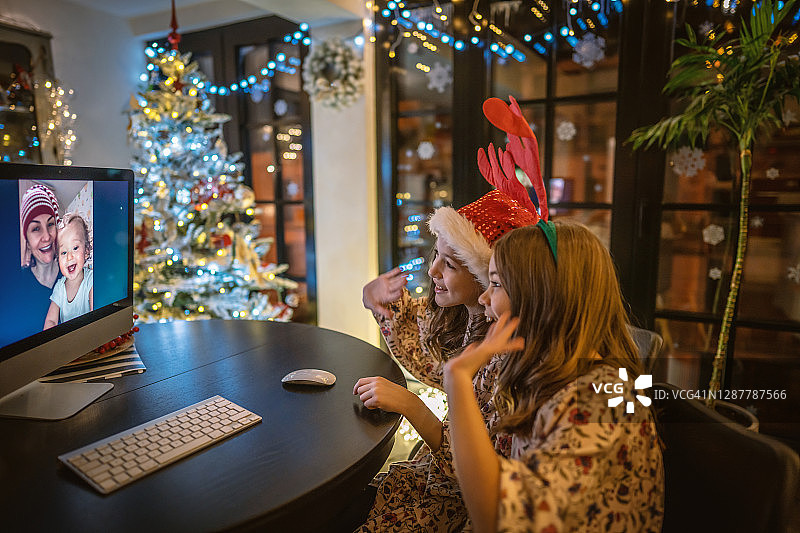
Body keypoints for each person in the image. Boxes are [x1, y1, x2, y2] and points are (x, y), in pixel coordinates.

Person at [354, 96, 547, 531]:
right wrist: (375, 298)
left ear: (492, 280)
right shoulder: (469, 316)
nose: (432, 270)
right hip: (427, 482)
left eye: (451, 263)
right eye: (435, 255)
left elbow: (477, 476)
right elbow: (421, 345)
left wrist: (410, 405)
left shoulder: (513, 355)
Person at [443, 221, 665, 532]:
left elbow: (496, 520)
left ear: (541, 297)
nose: (483, 299)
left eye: (496, 284)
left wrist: (458, 381)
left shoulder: (598, 401)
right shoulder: (550, 373)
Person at [44, 213, 93, 329]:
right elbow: (51, 320)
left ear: (86, 251)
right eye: (63, 252)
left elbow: (94, 312)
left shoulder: (91, 280)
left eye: (75, 248)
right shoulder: (59, 288)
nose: (69, 257)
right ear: (57, 258)